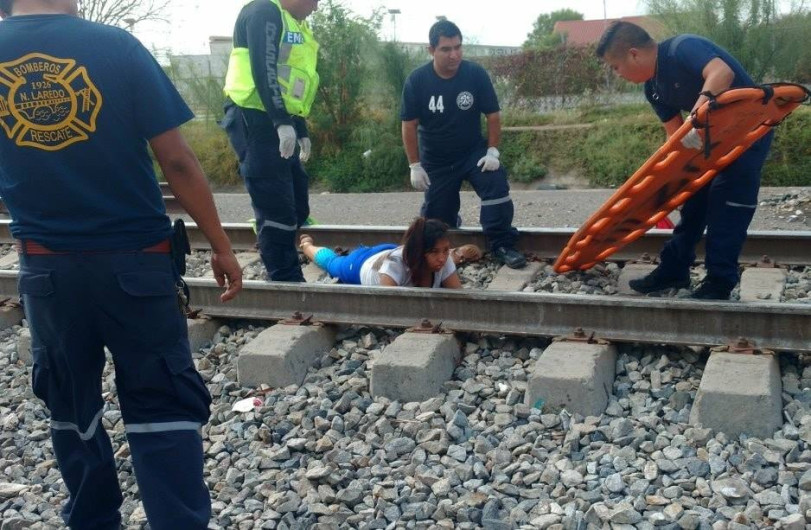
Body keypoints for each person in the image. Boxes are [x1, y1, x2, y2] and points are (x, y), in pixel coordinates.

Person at [0, 1, 243, 528]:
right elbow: (176, 159)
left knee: (70, 409)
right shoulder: (116, 48)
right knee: (163, 407)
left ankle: (92, 521)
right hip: (137, 267)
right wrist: (220, 245)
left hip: (48, 273)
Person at [596, 21, 773, 300]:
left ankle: (719, 282)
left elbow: (720, 73)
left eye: (615, 67)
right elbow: (675, 137)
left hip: (747, 135)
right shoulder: (652, 89)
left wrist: (695, 117)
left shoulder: (682, 48)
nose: (616, 74)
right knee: (692, 203)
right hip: (709, 144)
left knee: (726, 206)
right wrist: (664, 188)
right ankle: (674, 269)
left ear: (633, 54)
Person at [401, 20, 527, 270]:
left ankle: (502, 243)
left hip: (472, 153)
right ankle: (449, 222)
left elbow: (493, 115)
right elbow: (408, 125)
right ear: (431, 51)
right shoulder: (417, 81)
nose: (454, 54)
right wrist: (414, 165)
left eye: (458, 47)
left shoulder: (475, 74)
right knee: (437, 221)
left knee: (495, 183)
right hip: (436, 160)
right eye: (446, 49)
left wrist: (492, 151)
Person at [222, 0, 319, 282]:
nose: (315, 8)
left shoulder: (292, 23)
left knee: (297, 202)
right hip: (253, 119)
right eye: (315, 1)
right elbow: (262, 68)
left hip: (277, 120)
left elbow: (289, 81)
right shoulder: (263, 12)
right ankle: (285, 278)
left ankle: (270, 240)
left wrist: (298, 127)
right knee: (277, 206)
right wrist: (280, 121)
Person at [299, 218, 480, 287]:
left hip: (393, 250)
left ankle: (458, 254)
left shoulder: (442, 258)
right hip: (362, 264)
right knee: (333, 264)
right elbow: (389, 305)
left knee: (441, 262)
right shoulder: (394, 268)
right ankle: (307, 245)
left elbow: (459, 296)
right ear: (419, 252)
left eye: (446, 251)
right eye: (434, 252)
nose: (442, 257)